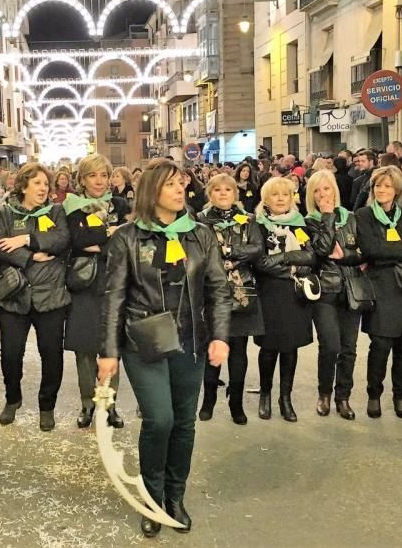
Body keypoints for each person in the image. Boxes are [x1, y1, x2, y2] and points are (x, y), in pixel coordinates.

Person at [99, 159, 230, 537]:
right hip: (145, 341)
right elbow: (113, 298)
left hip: (190, 341)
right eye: (172, 184)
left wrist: (220, 335)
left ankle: (175, 497)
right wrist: (108, 351)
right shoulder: (126, 237)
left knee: (184, 423)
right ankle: (152, 498)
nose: (180, 190)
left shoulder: (201, 235)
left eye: (182, 184)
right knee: (160, 419)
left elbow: (219, 288)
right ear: (152, 191)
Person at [0, 162, 70, 431]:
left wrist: (26, 241)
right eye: (37, 183)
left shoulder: (56, 211)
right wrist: (32, 256)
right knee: (10, 354)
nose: (43, 188)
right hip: (15, 294)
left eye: (46, 184)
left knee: (51, 354)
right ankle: (12, 399)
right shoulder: (4, 212)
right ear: (23, 185)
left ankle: (47, 406)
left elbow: (61, 241)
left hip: (51, 295)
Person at [356, 166, 402, 419]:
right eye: (378, 185)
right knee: (380, 344)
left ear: (396, 189)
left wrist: (389, 249)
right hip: (381, 287)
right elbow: (369, 250)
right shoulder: (364, 215)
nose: (382, 190)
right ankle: (374, 395)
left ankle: (401, 397)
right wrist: (401, 246)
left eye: (387, 186)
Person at [63, 154, 130, 429]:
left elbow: (128, 239)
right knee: (85, 349)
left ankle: (109, 405)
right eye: (93, 175)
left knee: (111, 346)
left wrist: (102, 240)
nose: (99, 181)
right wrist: (109, 234)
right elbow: (77, 239)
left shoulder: (121, 204)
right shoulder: (72, 207)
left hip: (116, 282)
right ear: (82, 179)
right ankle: (87, 405)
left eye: (104, 175)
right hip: (84, 284)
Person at [196, 174, 264, 424]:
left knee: (238, 350)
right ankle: (209, 399)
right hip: (211, 293)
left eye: (228, 190)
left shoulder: (248, 220)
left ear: (235, 194)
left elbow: (257, 249)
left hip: (242, 291)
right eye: (217, 190)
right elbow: (198, 251)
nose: (223, 194)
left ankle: (236, 402)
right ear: (209, 194)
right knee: (211, 348)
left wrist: (230, 251)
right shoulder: (200, 221)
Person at [253, 176, 319, 422]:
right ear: (265, 199)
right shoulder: (257, 224)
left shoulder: (301, 224)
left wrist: (283, 259)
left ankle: (285, 398)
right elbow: (260, 262)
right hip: (269, 292)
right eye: (275, 195)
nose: (281, 199)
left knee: (290, 348)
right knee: (269, 348)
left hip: (295, 294)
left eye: (285, 194)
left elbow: (311, 257)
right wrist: (292, 264)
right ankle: (266, 395)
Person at [304, 170, 364, 420]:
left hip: (352, 289)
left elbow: (363, 253)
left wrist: (348, 256)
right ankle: (324, 394)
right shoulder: (308, 222)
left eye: (326, 189)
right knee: (330, 345)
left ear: (335, 191)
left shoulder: (351, 217)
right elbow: (321, 249)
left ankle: (343, 397)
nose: (322, 195)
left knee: (349, 347)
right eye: (317, 191)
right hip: (325, 290)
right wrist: (327, 216)